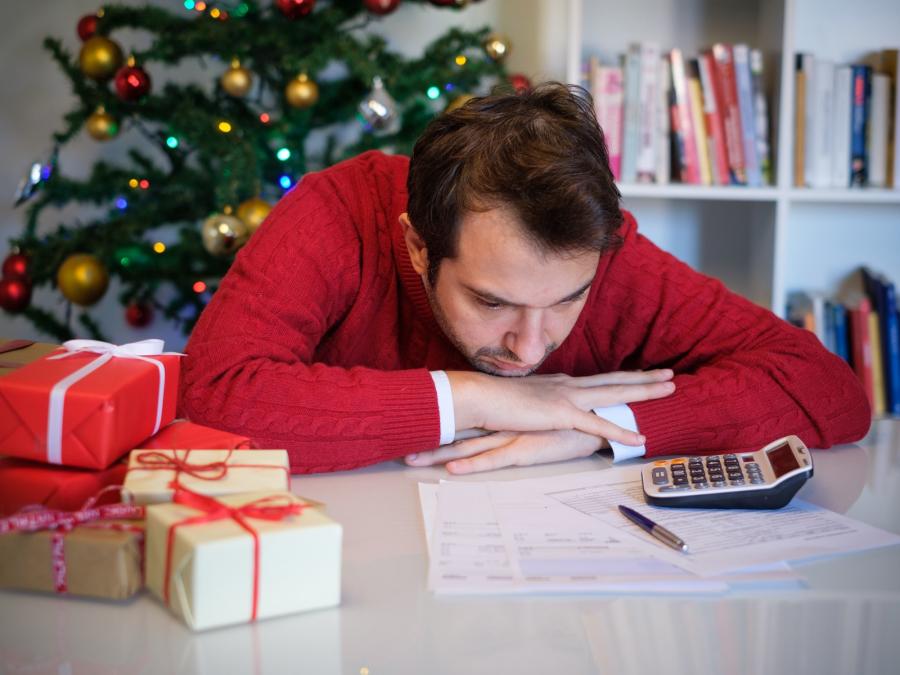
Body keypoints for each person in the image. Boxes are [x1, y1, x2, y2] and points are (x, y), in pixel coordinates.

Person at [180, 83, 870, 474]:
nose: (530, 349)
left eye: (568, 299)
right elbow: (213, 394)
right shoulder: (337, 212)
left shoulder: (610, 251)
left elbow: (831, 390)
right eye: (492, 301)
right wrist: (477, 397)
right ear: (418, 246)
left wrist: (598, 427)